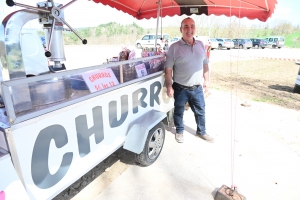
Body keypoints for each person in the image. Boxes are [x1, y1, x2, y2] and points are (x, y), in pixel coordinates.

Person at [164, 17, 214, 143]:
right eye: (186, 26)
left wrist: (207, 81)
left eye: (192, 26)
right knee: (179, 111)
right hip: (180, 88)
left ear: (195, 28)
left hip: (197, 88)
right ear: (181, 29)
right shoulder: (174, 48)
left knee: (201, 111)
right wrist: (169, 86)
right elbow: (168, 69)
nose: (189, 29)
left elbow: (205, 64)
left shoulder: (201, 45)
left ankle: (201, 131)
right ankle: (179, 131)